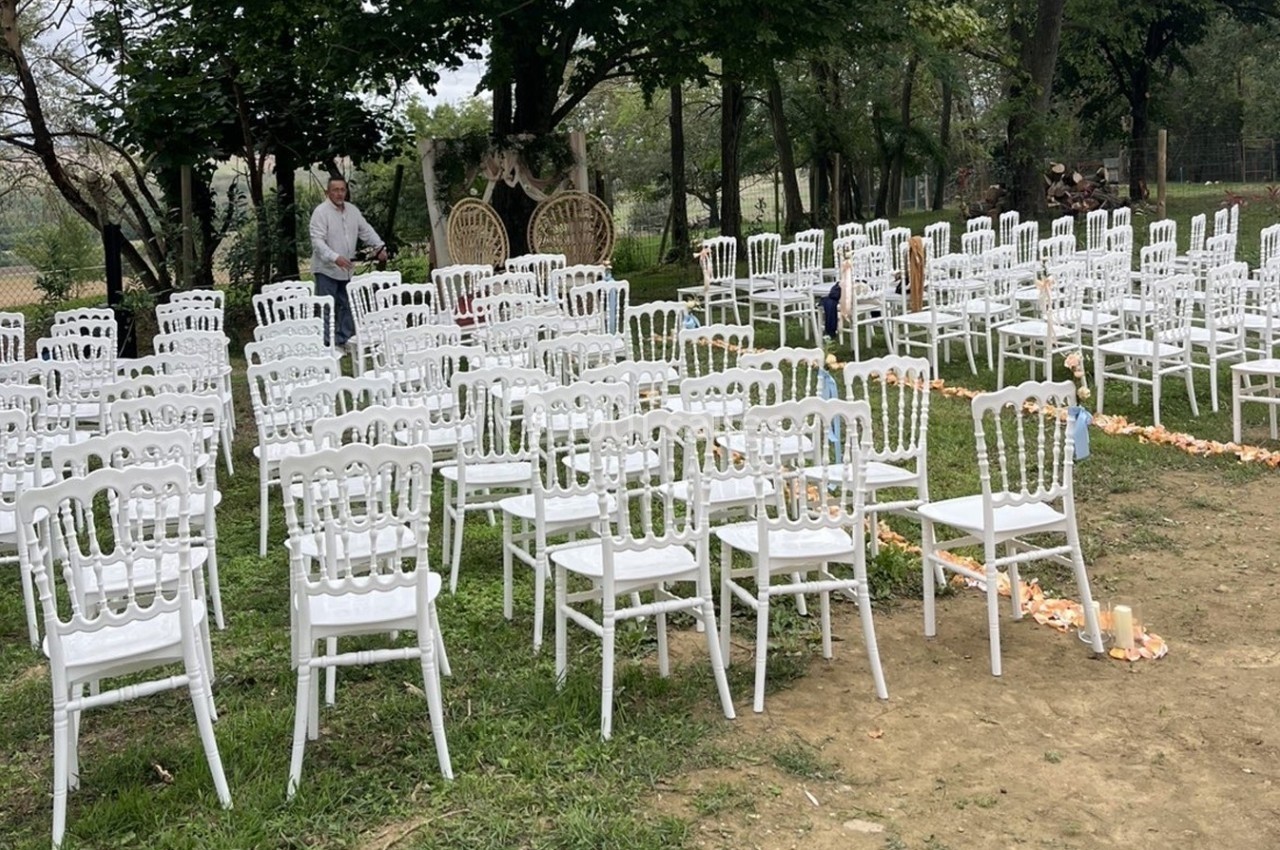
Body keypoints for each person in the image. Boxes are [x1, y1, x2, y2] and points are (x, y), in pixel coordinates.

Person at [309, 176, 387, 350]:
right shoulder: (320, 212)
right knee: (327, 307)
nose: (339, 193)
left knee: (348, 305)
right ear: (328, 192)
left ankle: (342, 339)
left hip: (346, 269)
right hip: (326, 269)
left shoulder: (352, 211)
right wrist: (334, 257)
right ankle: (327, 344)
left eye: (342, 190)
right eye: (335, 190)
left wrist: (379, 247)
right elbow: (317, 242)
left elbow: (366, 230)